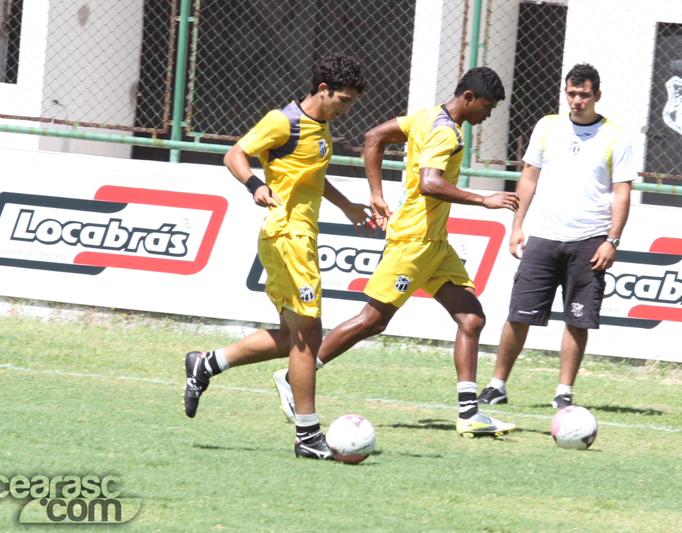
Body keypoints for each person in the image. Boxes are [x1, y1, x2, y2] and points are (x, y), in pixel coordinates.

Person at [272, 66, 520, 437]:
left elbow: (374, 137)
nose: (488, 115)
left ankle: (470, 414)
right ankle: (295, 375)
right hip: (414, 242)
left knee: (471, 318)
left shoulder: (426, 117)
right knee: (372, 320)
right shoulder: (445, 132)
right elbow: (429, 183)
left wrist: (376, 194)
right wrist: (484, 199)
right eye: (487, 107)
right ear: (468, 98)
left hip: (435, 243)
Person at [182, 54, 371, 460]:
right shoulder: (284, 121)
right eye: (344, 100)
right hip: (287, 236)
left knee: (291, 337)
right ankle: (308, 435)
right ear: (323, 90)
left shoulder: (321, 125)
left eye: (352, 102)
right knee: (307, 336)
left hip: (301, 237)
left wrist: (347, 207)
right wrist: (254, 185)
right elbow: (235, 154)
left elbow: (310, 177)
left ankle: (206, 364)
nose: (347, 109)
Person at [477, 63, 635, 409]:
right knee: (518, 314)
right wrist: (517, 226)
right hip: (544, 238)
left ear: (597, 95)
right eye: (572, 93)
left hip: (590, 241)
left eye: (584, 94)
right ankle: (497, 385)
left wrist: (612, 240)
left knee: (577, 320)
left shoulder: (616, 136)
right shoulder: (547, 126)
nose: (577, 101)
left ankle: (564, 392)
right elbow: (529, 177)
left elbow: (622, 192)